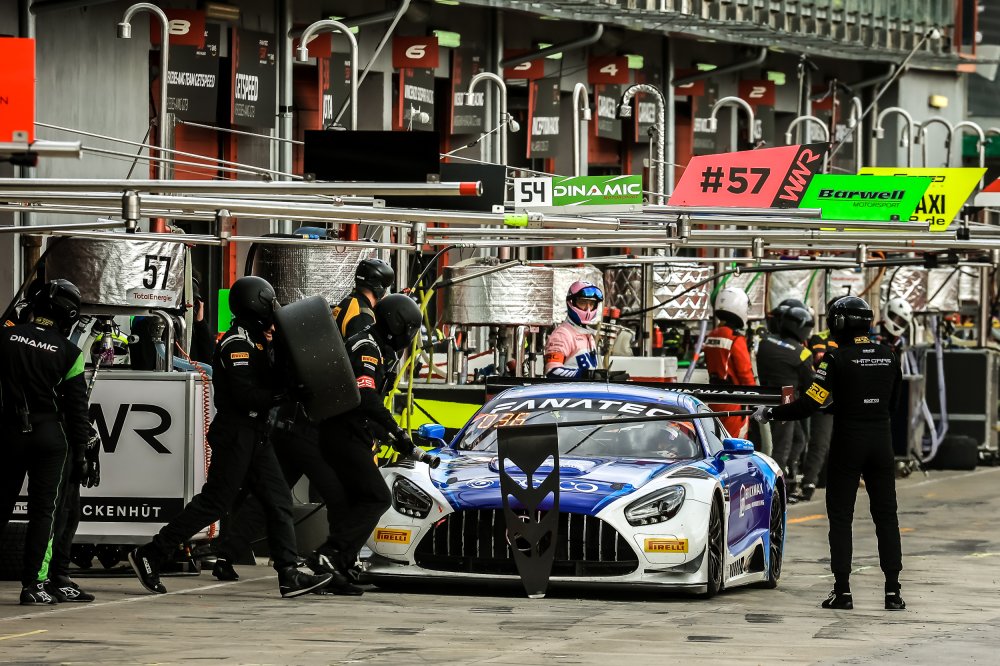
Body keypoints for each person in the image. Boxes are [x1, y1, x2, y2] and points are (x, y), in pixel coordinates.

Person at [128, 276, 332, 598]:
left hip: (257, 433)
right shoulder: (236, 343)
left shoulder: (259, 339)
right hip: (236, 433)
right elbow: (246, 395)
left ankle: (288, 573)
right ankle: (151, 553)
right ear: (255, 305)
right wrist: (285, 394)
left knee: (278, 500)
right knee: (215, 502)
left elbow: (274, 378)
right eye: (268, 303)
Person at [753, 295, 905, 611]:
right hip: (881, 442)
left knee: (841, 517)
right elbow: (893, 404)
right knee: (886, 516)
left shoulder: (835, 358)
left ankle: (843, 591)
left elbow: (810, 404)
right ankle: (893, 592)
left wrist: (771, 413)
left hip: (849, 442)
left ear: (840, 323)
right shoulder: (888, 355)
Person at [309, 294, 424, 584]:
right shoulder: (367, 347)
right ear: (397, 324)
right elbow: (366, 397)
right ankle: (330, 554)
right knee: (377, 497)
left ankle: (341, 567)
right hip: (344, 433)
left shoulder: (373, 345)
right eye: (410, 330)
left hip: (347, 431)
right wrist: (397, 431)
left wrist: (389, 436)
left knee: (354, 501)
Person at [0, 280, 94, 605]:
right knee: (45, 513)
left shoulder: (5, 337)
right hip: (50, 437)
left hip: (8, 432)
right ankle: (34, 585)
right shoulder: (70, 353)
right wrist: (81, 454)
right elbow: (78, 410)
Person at [756, 304, 814, 477]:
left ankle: (788, 472)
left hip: (762, 397)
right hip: (787, 398)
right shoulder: (802, 353)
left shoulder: (765, 342)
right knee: (783, 445)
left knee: (797, 439)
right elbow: (810, 384)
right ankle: (779, 480)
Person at [794, 301, 840, 504]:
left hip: (848, 397)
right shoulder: (819, 338)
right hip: (824, 396)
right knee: (818, 442)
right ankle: (809, 482)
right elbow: (820, 358)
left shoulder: (858, 341)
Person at [703, 287, 755, 438]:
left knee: (716, 441)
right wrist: (755, 397)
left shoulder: (712, 335)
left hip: (713, 399)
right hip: (734, 401)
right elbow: (745, 373)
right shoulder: (735, 338)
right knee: (736, 443)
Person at [544, 281, 602, 379]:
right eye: (583, 302)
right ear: (571, 302)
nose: (588, 309)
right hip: (568, 389)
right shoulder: (562, 334)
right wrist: (586, 375)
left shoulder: (588, 334)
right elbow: (552, 371)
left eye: (591, 303)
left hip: (585, 388)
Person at [332, 258, 395, 339]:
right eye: (385, 287)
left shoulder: (348, 301)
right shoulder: (363, 315)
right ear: (380, 288)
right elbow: (364, 346)